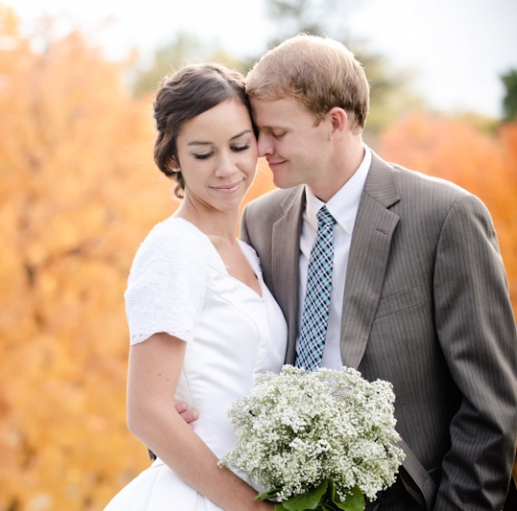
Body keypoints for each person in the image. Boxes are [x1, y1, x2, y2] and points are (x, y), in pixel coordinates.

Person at [178, 34, 517, 510]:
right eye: (259, 131)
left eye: (277, 132)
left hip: (412, 494)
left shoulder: (446, 216)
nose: (260, 148)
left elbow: (491, 405)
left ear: (335, 122)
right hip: (284, 492)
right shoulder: (260, 220)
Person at [104, 63, 286, 510]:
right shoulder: (174, 248)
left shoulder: (250, 252)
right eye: (203, 154)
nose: (227, 169)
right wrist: (250, 506)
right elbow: (147, 411)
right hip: (205, 496)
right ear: (173, 159)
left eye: (240, 146)